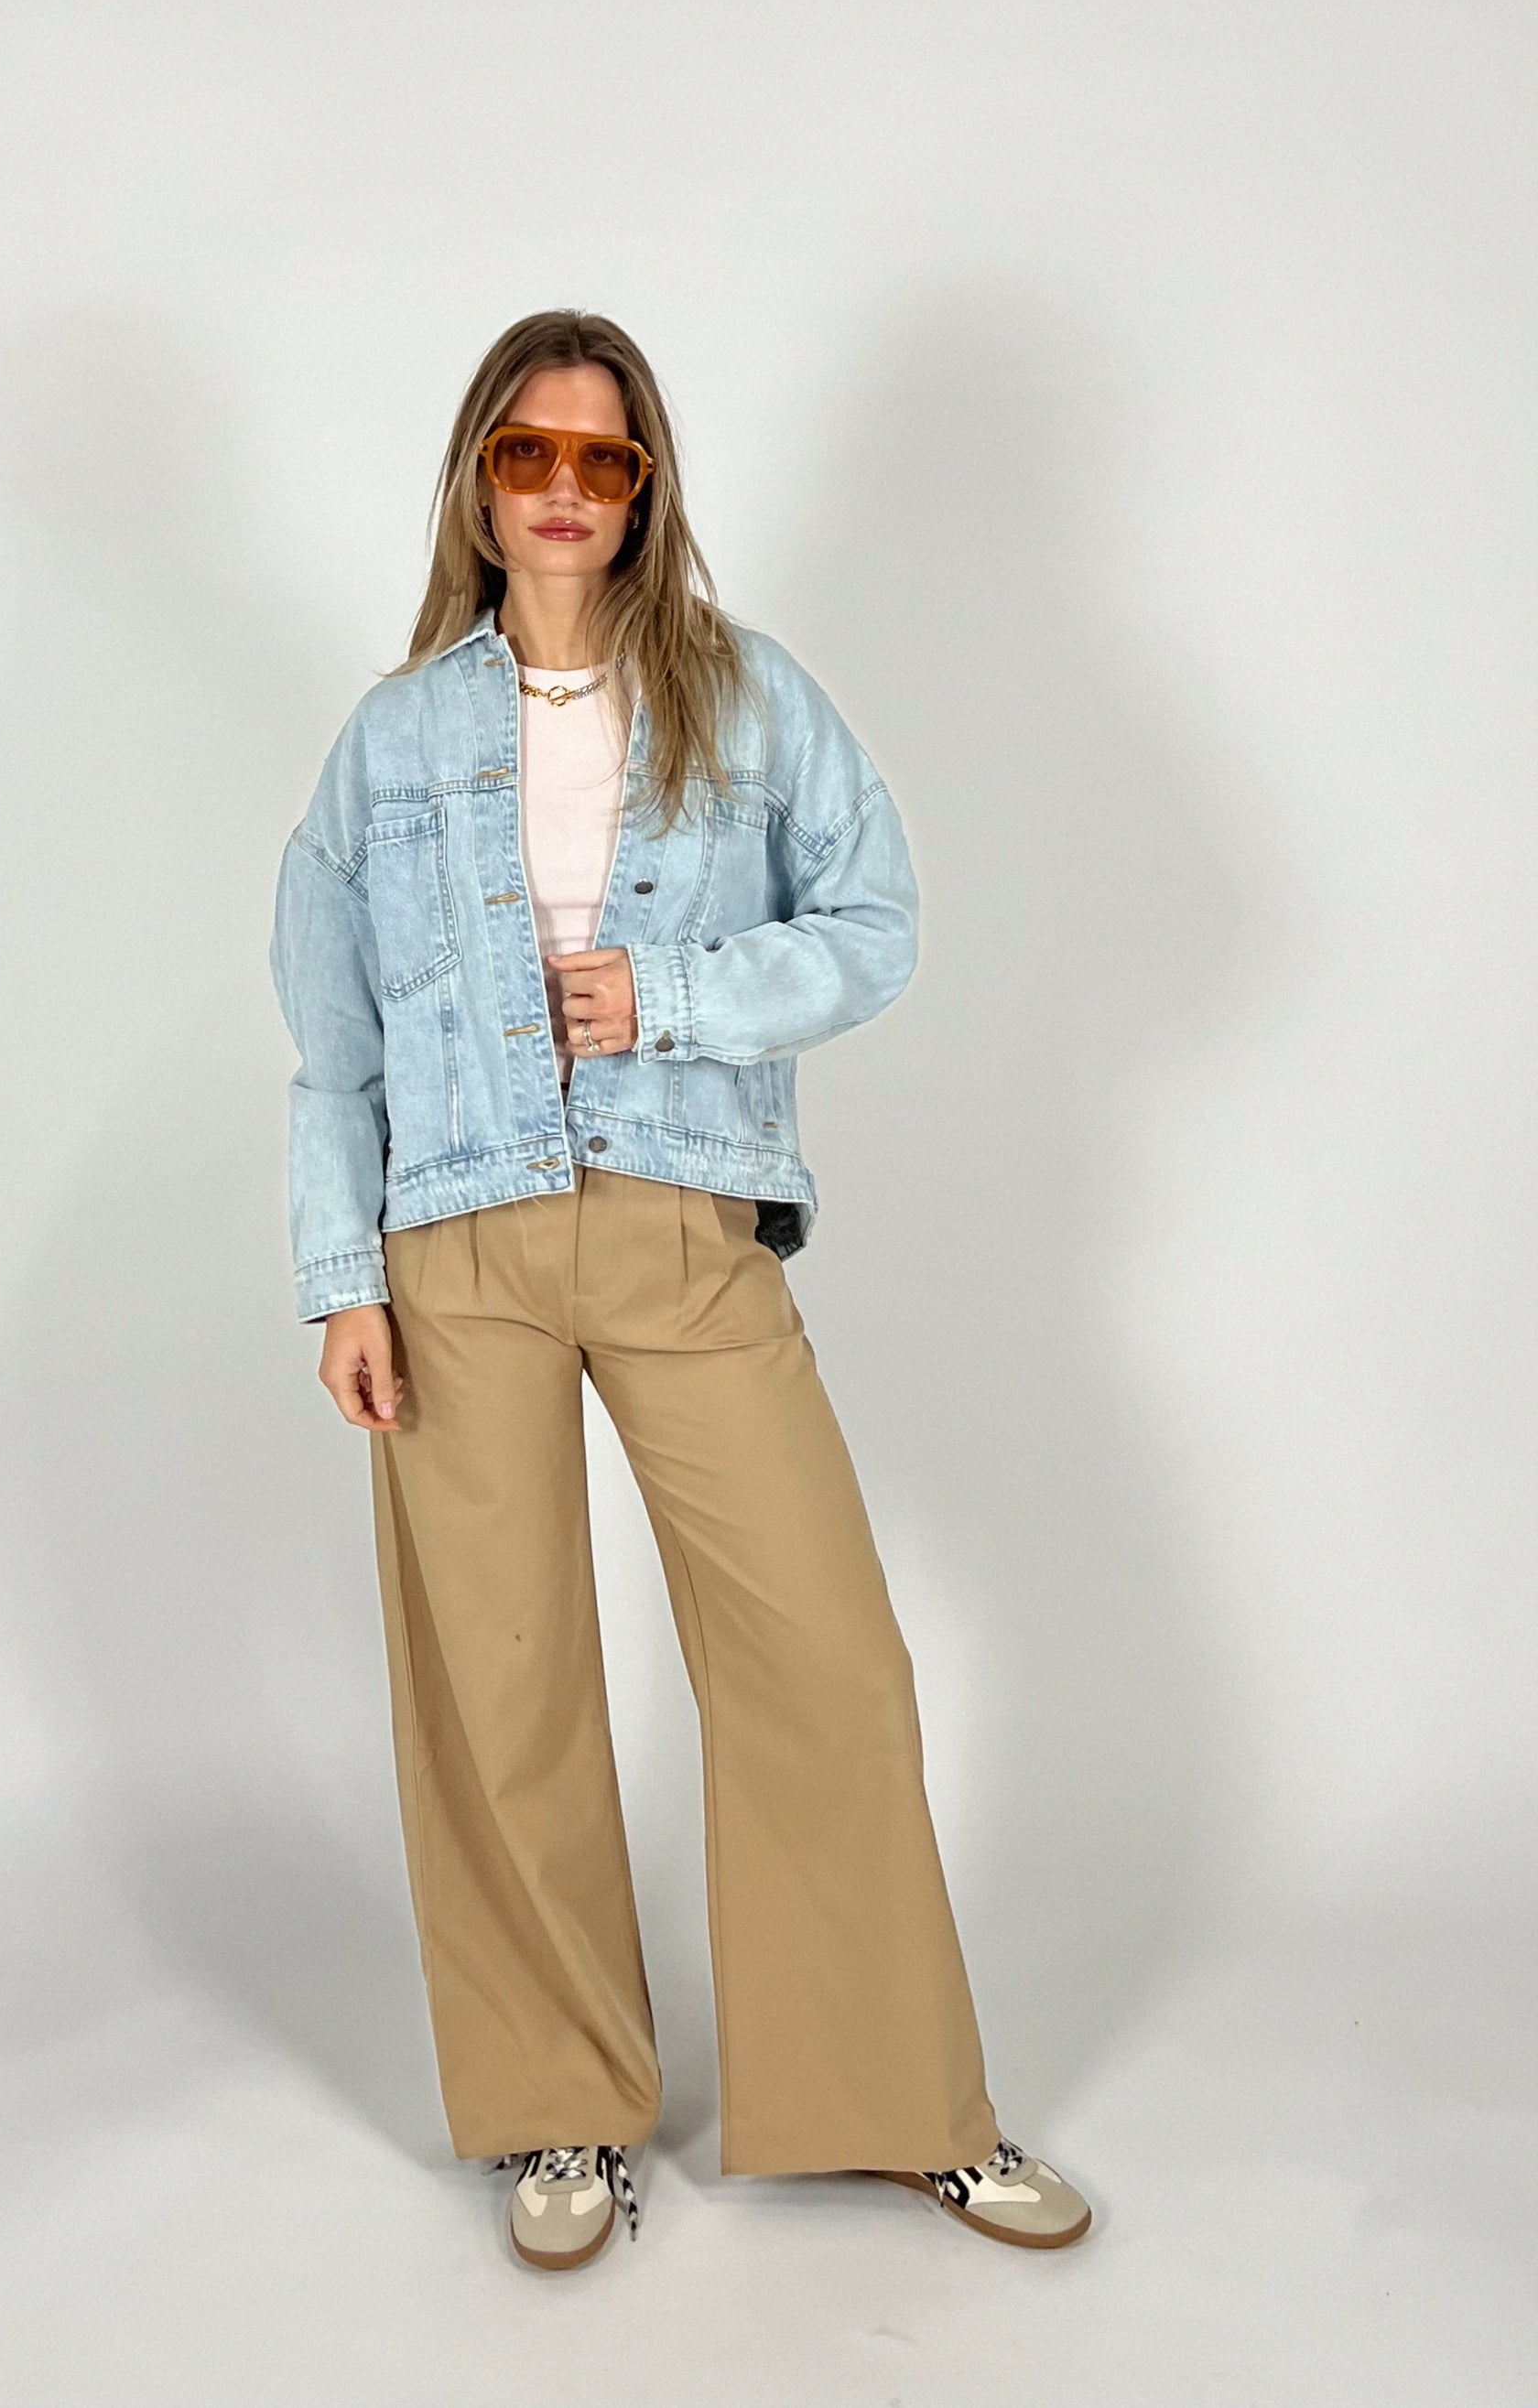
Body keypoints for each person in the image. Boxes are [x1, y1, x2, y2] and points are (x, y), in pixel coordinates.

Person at [269, 308, 1093, 2273]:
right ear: (479, 482)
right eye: (528, 454)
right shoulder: (392, 740)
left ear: (646, 491)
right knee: (504, 1685)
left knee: (825, 1653)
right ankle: (557, 2105)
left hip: (680, 1218)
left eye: (603, 458)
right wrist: (342, 1276)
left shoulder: (745, 694)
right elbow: (331, 1041)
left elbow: (877, 919)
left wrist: (681, 995)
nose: (564, 489)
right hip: (454, 1240)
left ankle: (895, 2099)